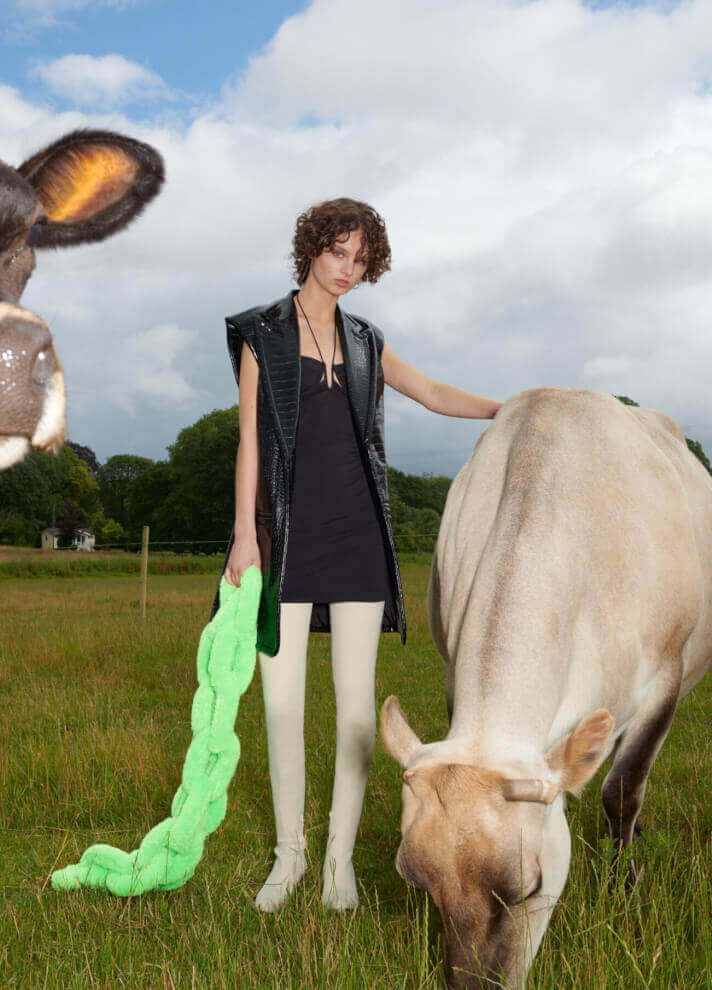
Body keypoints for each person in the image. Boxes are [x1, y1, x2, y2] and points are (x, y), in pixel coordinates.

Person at [217, 198, 501, 912]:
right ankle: (289, 858)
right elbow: (250, 442)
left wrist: (511, 408)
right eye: (337, 252)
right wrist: (244, 537)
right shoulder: (262, 332)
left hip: (358, 539)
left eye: (361, 260)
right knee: (282, 710)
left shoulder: (368, 341)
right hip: (283, 540)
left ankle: (338, 862)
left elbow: (432, 391)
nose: (347, 270)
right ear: (311, 246)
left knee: (353, 717)